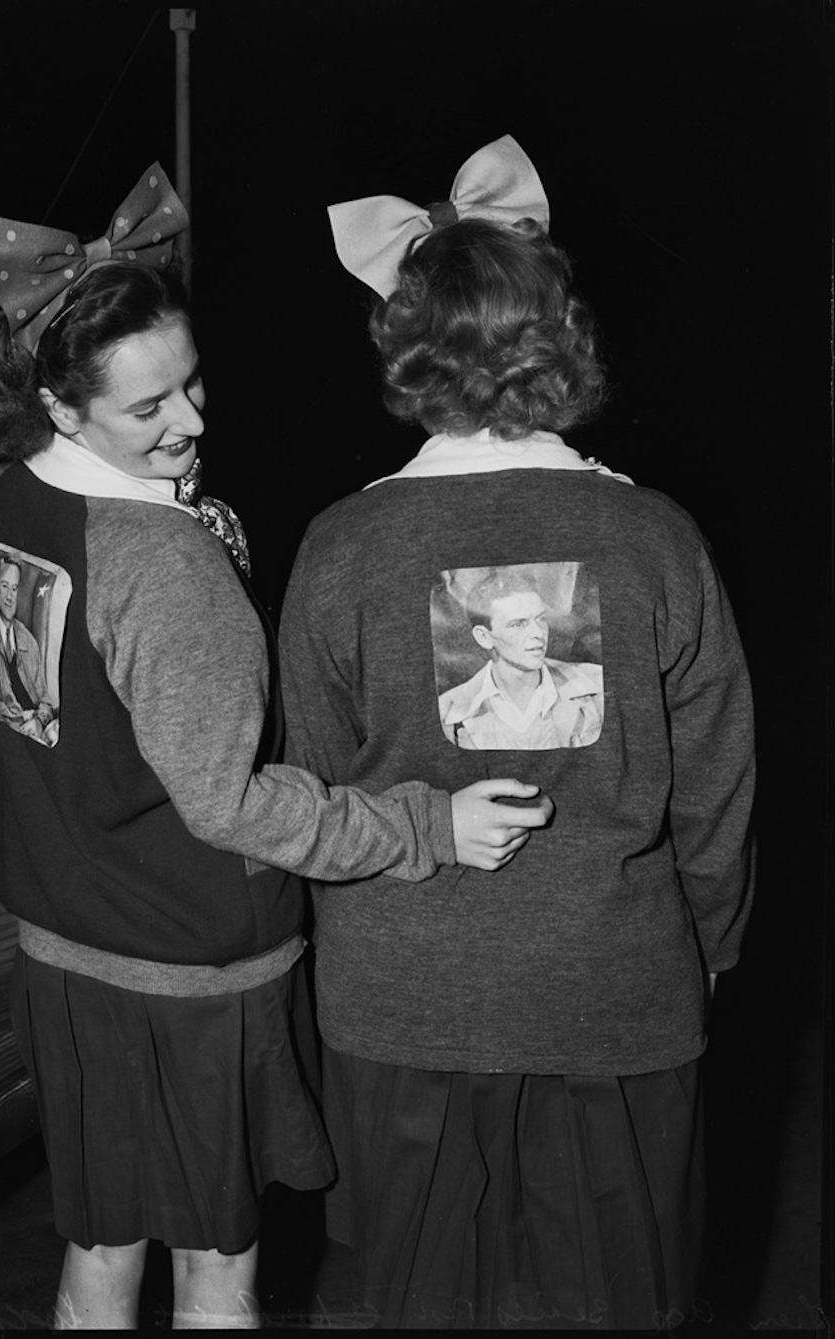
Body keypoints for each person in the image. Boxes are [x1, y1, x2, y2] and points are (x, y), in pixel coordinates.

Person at [0, 162, 553, 1332]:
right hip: (185, 978)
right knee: (220, 1270)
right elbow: (229, 805)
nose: (195, 420)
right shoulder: (158, 560)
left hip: (66, 955)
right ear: (62, 406)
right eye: (150, 408)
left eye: (192, 382)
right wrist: (426, 822)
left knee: (98, 1255)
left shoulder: (8, 503)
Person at [278, 135, 755, 1328]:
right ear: (561, 337)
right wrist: (711, 943)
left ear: (401, 344)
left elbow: (320, 789)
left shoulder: (338, 546)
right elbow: (718, 787)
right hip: (617, 995)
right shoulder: (656, 537)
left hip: (400, 1009)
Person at [437, 566, 603, 750]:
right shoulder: (449, 712)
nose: (538, 633)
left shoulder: (596, 684)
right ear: (484, 637)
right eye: (518, 624)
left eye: (541, 619)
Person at [0, 554, 59, 745]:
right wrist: (24, 720)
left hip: (39, 728)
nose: (9, 596)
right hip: (13, 734)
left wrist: (39, 721)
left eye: (14, 588)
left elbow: (44, 698)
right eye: (4, 586)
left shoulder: (28, 641)